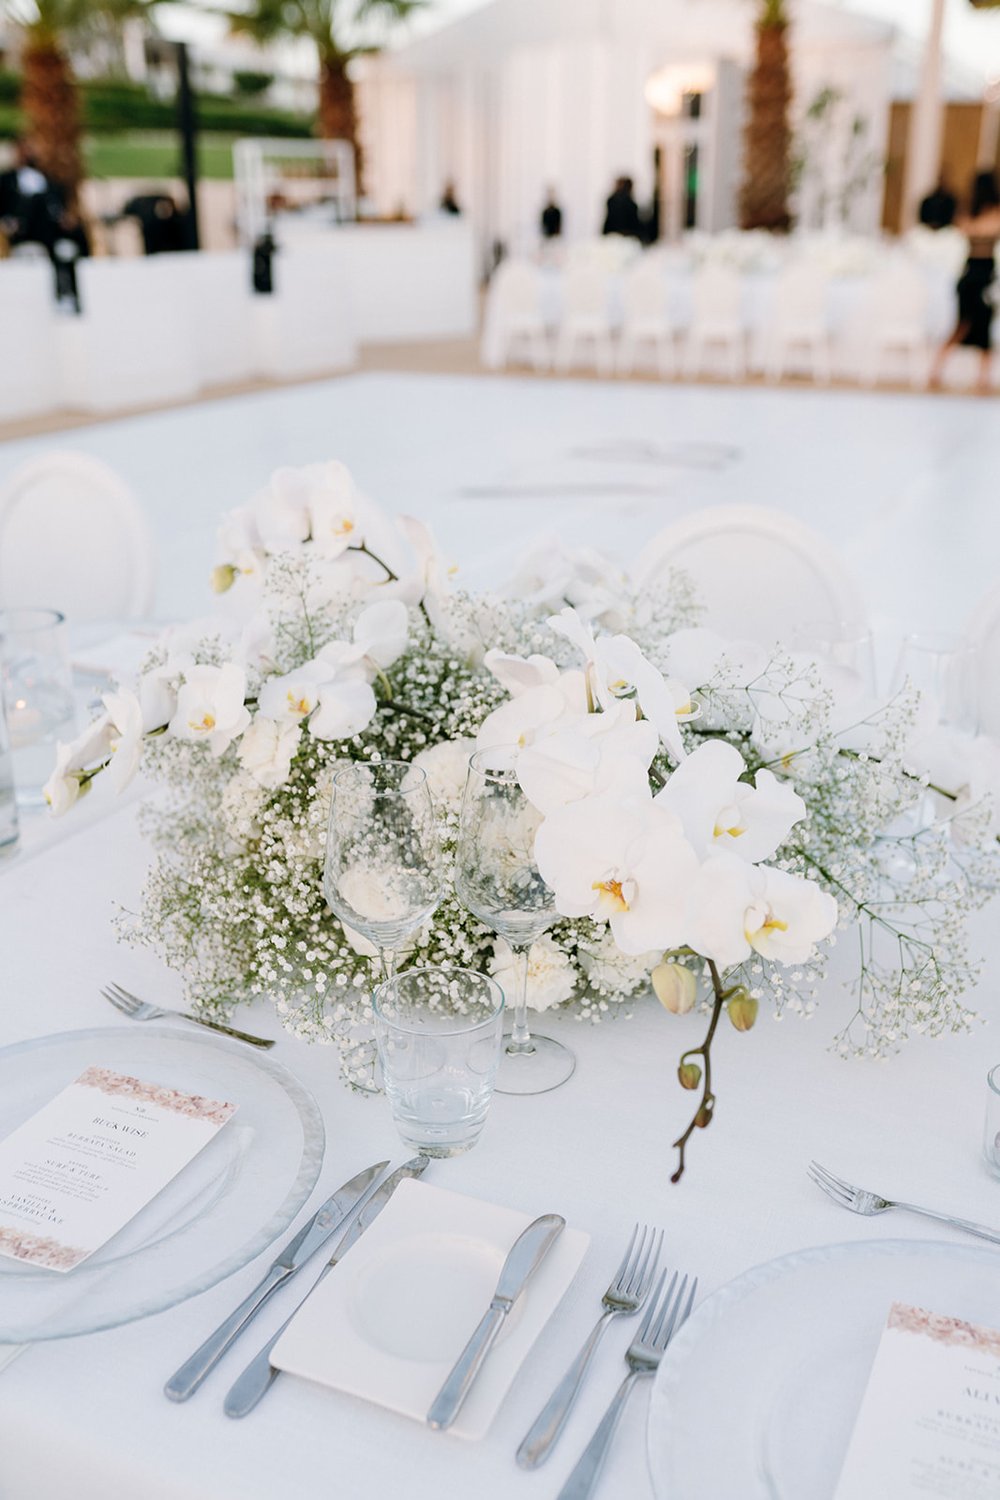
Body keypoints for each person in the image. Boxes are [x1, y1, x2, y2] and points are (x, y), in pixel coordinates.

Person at [929, 170, 1000, 395]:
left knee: (979, 328)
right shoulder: (988, 214)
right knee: (963, 325)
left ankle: (981, 378)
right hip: (976, 277)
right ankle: (937, 372)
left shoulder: (970, 214)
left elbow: (966, 228)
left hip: (978, 276)